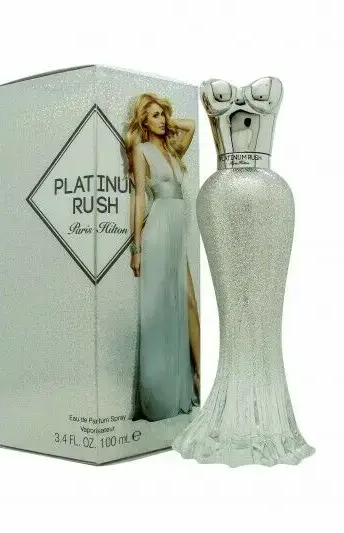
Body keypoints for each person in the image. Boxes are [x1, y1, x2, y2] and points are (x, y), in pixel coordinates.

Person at [125, 93, 200, 421]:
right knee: (159, 309)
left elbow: (192, 126)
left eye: (162, 114)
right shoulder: (141, 150)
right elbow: (140, 197)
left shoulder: (173, 150)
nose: (161, 120)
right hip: (157, 233)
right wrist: (136, 248)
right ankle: (160, 393)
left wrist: (168, 121)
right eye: (153, 115)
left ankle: (199, 376)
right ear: (144, 121)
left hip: (177, 235)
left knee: (188, 303)